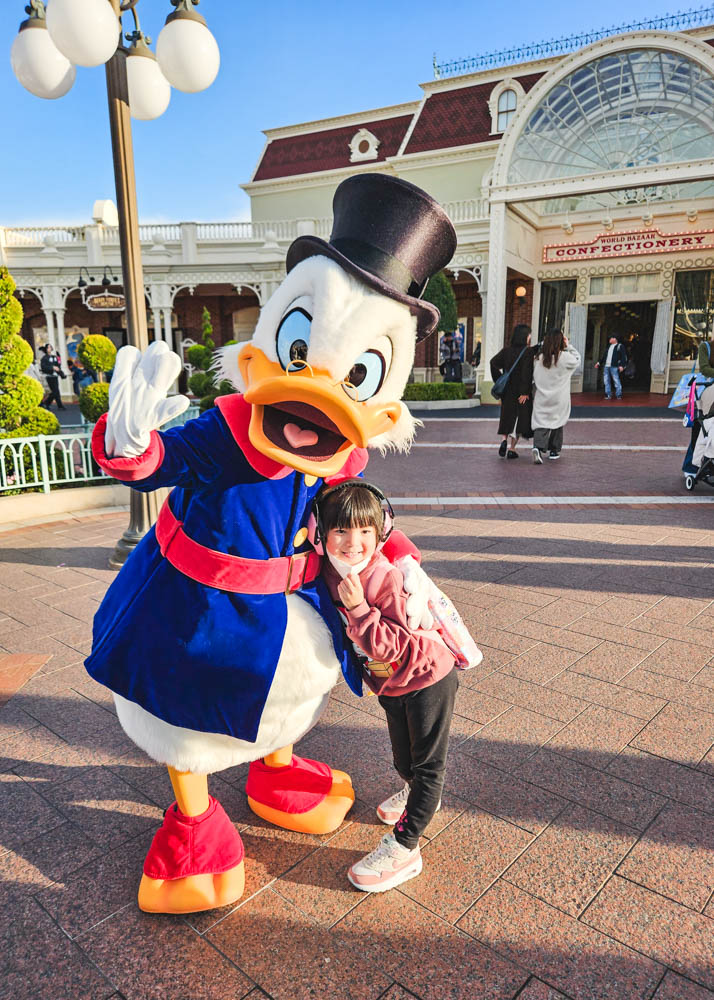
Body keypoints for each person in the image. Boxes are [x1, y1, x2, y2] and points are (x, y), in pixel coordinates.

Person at [318, 480, 460, 893]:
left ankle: (405, 847)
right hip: (391, 685)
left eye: (365, 531)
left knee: (427, 765)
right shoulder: (330, 569)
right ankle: (414, 791)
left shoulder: (381, 576)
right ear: (322, 532)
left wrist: (360, 609)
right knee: (404, 760)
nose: (353, 543)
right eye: (341, 530)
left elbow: (402, 644)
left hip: (427, 675)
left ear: (379, 531)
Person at [531, 328, 581, 463]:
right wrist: (568, 345)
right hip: (559, 397)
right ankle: (554, 450)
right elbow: (578, 359)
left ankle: (537, 447)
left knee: (541, 422)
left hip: (542, 396)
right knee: (558, 422)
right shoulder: (565, 358)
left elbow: (533, 376)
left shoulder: (539, 359)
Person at [490, 323, 534, 459]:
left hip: (507, 390)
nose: (530, 336)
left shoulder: (506, 351)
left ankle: (503, 440)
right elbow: (526, 373)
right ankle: (512, 448)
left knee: (507, 416)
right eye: (529, 334)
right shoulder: (527, 352)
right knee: (520, 420)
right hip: (521, 391)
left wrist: (499, 380)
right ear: (525, 336)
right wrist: (525, 392)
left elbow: (493, 363)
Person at [595, 334, 628, 400]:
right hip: (606, 366)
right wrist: (599, 363)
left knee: (616, 380)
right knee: (606, 381)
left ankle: (618, 394)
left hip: (614, 366)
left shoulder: (620, 346)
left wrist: (622, 365)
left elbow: (623, 357)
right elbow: (604, 356)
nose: (609, 339)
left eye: (610, 338)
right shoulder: (609, 346)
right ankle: (608, 394)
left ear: (615, 339)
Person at [39, 343, 66, 410]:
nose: (50, 348)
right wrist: (52, 367)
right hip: (49, 376)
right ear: (46, 349)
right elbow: (43, 367)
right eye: (48, 347)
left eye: (50, 347)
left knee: (56, 391)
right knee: (55, 391)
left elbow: (58, 365)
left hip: (55, 376)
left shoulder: (54, 357)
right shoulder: (44, 358)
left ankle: (57, 405)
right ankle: (46, 403)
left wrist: (60, 372)